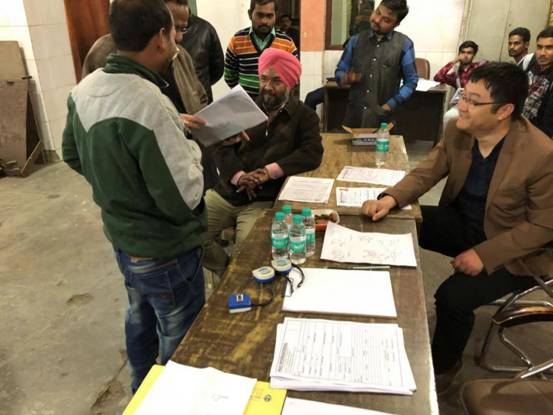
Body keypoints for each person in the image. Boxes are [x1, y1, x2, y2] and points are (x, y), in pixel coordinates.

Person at [361, 62, 553, 395]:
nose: (461, 105)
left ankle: (444, 367)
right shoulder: (458, 130)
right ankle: (374, 309)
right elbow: (426, 172)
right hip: (465, 222)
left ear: (504, 110)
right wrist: (391, 198)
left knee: (453, 297)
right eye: (464, 95)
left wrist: (484, 255)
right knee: (398, 222)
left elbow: (542, 226)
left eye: (473, 101)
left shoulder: (540, 154)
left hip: (516, 251)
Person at [63, 0, 207, 392]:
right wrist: (190, 148)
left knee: (140, 321)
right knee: (180, 340)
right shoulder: (149, 102)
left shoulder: (85, 91)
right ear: (160, 37)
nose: (177, 40)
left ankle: (140, 391)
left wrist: (117, 187)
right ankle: (170, 400)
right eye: (174, 32)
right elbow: (184, 198)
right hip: (165, 251)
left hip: (124, 242)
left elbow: (71, 154)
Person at [204, 48, 323, 274]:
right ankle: (225, 271)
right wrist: (240, 177)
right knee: (188, 234)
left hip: (262, 200)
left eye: (276, 81)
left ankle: (234, 274)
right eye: (264, 79)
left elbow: (312, 152)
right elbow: (220, 147)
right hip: (226, 193)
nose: (267, 86)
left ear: (291, 83)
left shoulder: (305, 116)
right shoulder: (241, 108)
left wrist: (268, 172)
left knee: (247, 253)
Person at [80, 0, 222, 190]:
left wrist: (217, 130)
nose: (179, 37)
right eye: (174, 28)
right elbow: (98, 124)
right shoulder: (103, 56)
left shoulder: (181, 56)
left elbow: (200, 98)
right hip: (152, 183)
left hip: (195, 168)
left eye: (183, 28)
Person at [335, 0, 418, 128]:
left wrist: (391, 104)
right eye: (377, 12)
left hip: (383, 121)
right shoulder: (355, 41)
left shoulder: (404, 45)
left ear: (396, 24)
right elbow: (339, 71)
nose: (377, 20)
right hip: (354, 117)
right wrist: (345, 78)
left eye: (386, 19)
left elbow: (411, 81)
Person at [224, 0, 298, 99]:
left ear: (275, 15)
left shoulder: (287, 44)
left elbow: (293, 79)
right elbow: (229, 77)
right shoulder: (237, 41)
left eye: (269, 16)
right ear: (250, 14)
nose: (264, 21)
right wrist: (246, 96)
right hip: (246, 104)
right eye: (259, 15)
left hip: (276, 105)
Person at [178, 0, 224, 103]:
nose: (178, 37)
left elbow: (217, 70)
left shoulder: (206, 29)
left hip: (201, 104)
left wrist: (198, 87)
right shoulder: (154, 31)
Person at [434, 40, 487, 130]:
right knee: (449, 116)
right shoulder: (456, 74)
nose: (465, 55)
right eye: (463, 52)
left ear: (474, 55)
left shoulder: (479, 67)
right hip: (462, 103)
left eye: (469, 53)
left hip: (478, 103)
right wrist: (454, 61)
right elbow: (438, 77)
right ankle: (448, 138)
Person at [523, 26, 553, 138]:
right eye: (539, 47)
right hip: (520, 126)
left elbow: (548, 119)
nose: (542, 53)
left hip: (539, 136)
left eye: (549, 48)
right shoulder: (530, 63)